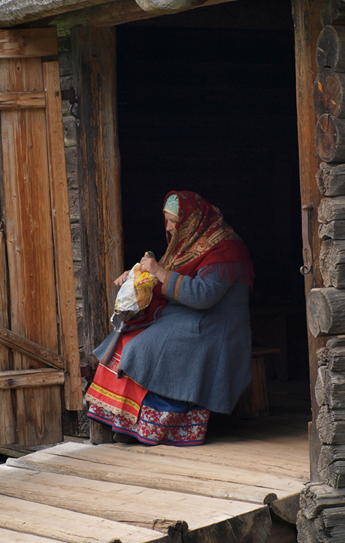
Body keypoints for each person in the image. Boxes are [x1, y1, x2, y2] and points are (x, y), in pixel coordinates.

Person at [86, 190, 254, 446]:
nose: (169, 226)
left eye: (174, 220)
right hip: (189, 315)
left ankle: (158, 429)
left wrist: (160, 273)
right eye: (166, 219)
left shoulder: (226, 249)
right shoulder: (189, 243)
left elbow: (203, 296)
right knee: (125, 337)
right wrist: (135, 275)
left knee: (143, 348)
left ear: (192, 219)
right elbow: (167, 274)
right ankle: (127, 422)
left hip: (214, 326)